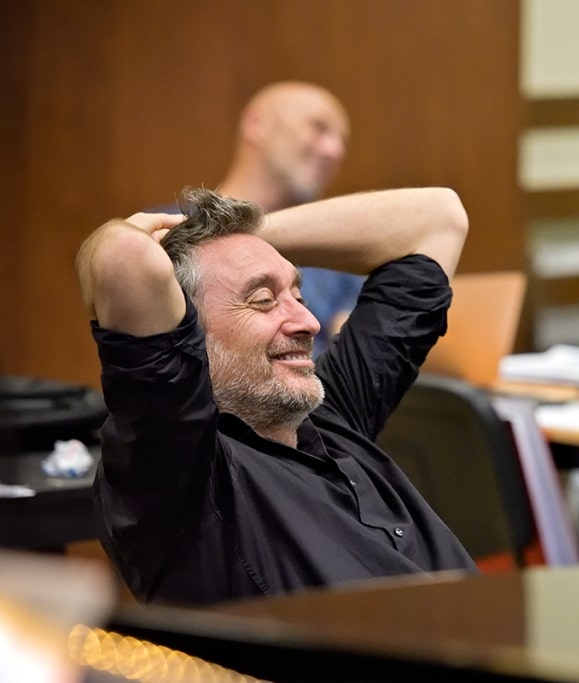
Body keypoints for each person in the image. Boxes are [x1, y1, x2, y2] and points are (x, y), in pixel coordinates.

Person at [76, 185, 475, 604]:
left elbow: (438, 219)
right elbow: (123, 257)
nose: (308, 322)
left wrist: (241, 235)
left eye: (298, 296)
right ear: (188, 340)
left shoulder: (332, 418)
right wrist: (161, 241)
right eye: (264, 301)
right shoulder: (183, 478)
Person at [160, 80, 364, 356]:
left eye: (342, 141)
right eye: (319, 127)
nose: (335, 151)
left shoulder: (342, 251)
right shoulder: (164, 230)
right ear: (256, 124)